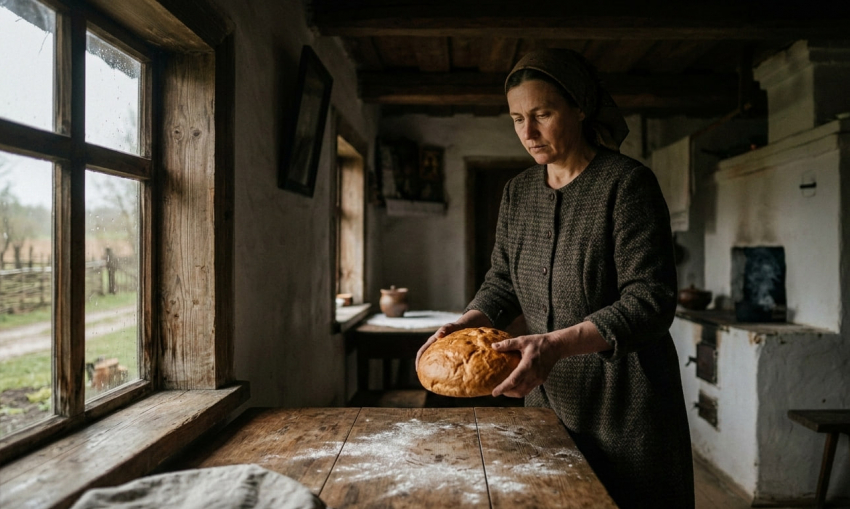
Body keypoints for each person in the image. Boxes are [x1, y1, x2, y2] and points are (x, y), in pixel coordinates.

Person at [415, 49, 694, 509]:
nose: (528, 132)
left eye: (542, 114)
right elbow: (502, 279)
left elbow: (650, 299)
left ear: (580, 107)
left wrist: (555, 345)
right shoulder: (518, 192)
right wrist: (467, 323)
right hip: (549, 403)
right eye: (517, 118)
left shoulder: (626, 185)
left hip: (626, 405)